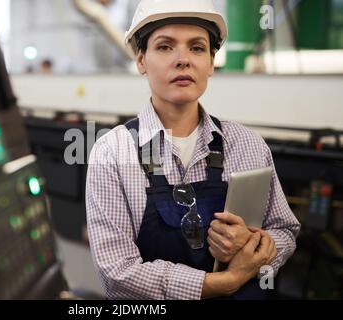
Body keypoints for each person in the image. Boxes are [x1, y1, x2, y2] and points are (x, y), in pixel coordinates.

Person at [85, 0, 300, 300]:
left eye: (197, 48)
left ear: (211, 62)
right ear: (141, 60)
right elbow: (118, 273)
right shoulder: (112, 154)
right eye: (165, 47)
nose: (183, 59)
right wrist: (223, 282)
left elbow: (284, 231)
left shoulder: (249, 145)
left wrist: (254, 246)